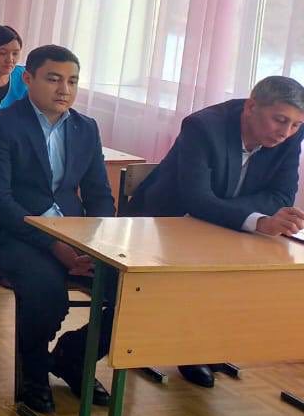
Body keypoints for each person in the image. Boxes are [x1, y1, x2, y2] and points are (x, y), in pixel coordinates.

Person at [0, 45, 117, 414]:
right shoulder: (0, 125)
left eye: (72, 81)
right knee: (45, 290)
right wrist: (53, 245)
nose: (64, 89)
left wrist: (95, 244)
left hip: (75, 235)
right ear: (28, 79)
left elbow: (99, 194)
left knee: (133, 286)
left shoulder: (85, 127)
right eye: (54, 79)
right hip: (14, 231)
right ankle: (33, 371)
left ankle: (74, 357)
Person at [127, 75, 304, 388]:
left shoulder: (290, 135)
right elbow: (196, 200)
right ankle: (78, 353)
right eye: (280, 120)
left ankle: (198, 345)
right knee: (150, 292)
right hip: (163, 225)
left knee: (253, 278)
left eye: (295, 125)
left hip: (223, 229)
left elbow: (281, 196)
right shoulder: (203, 126)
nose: (286, 132)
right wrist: (258, 221)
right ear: (251, 107)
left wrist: (228, 210)